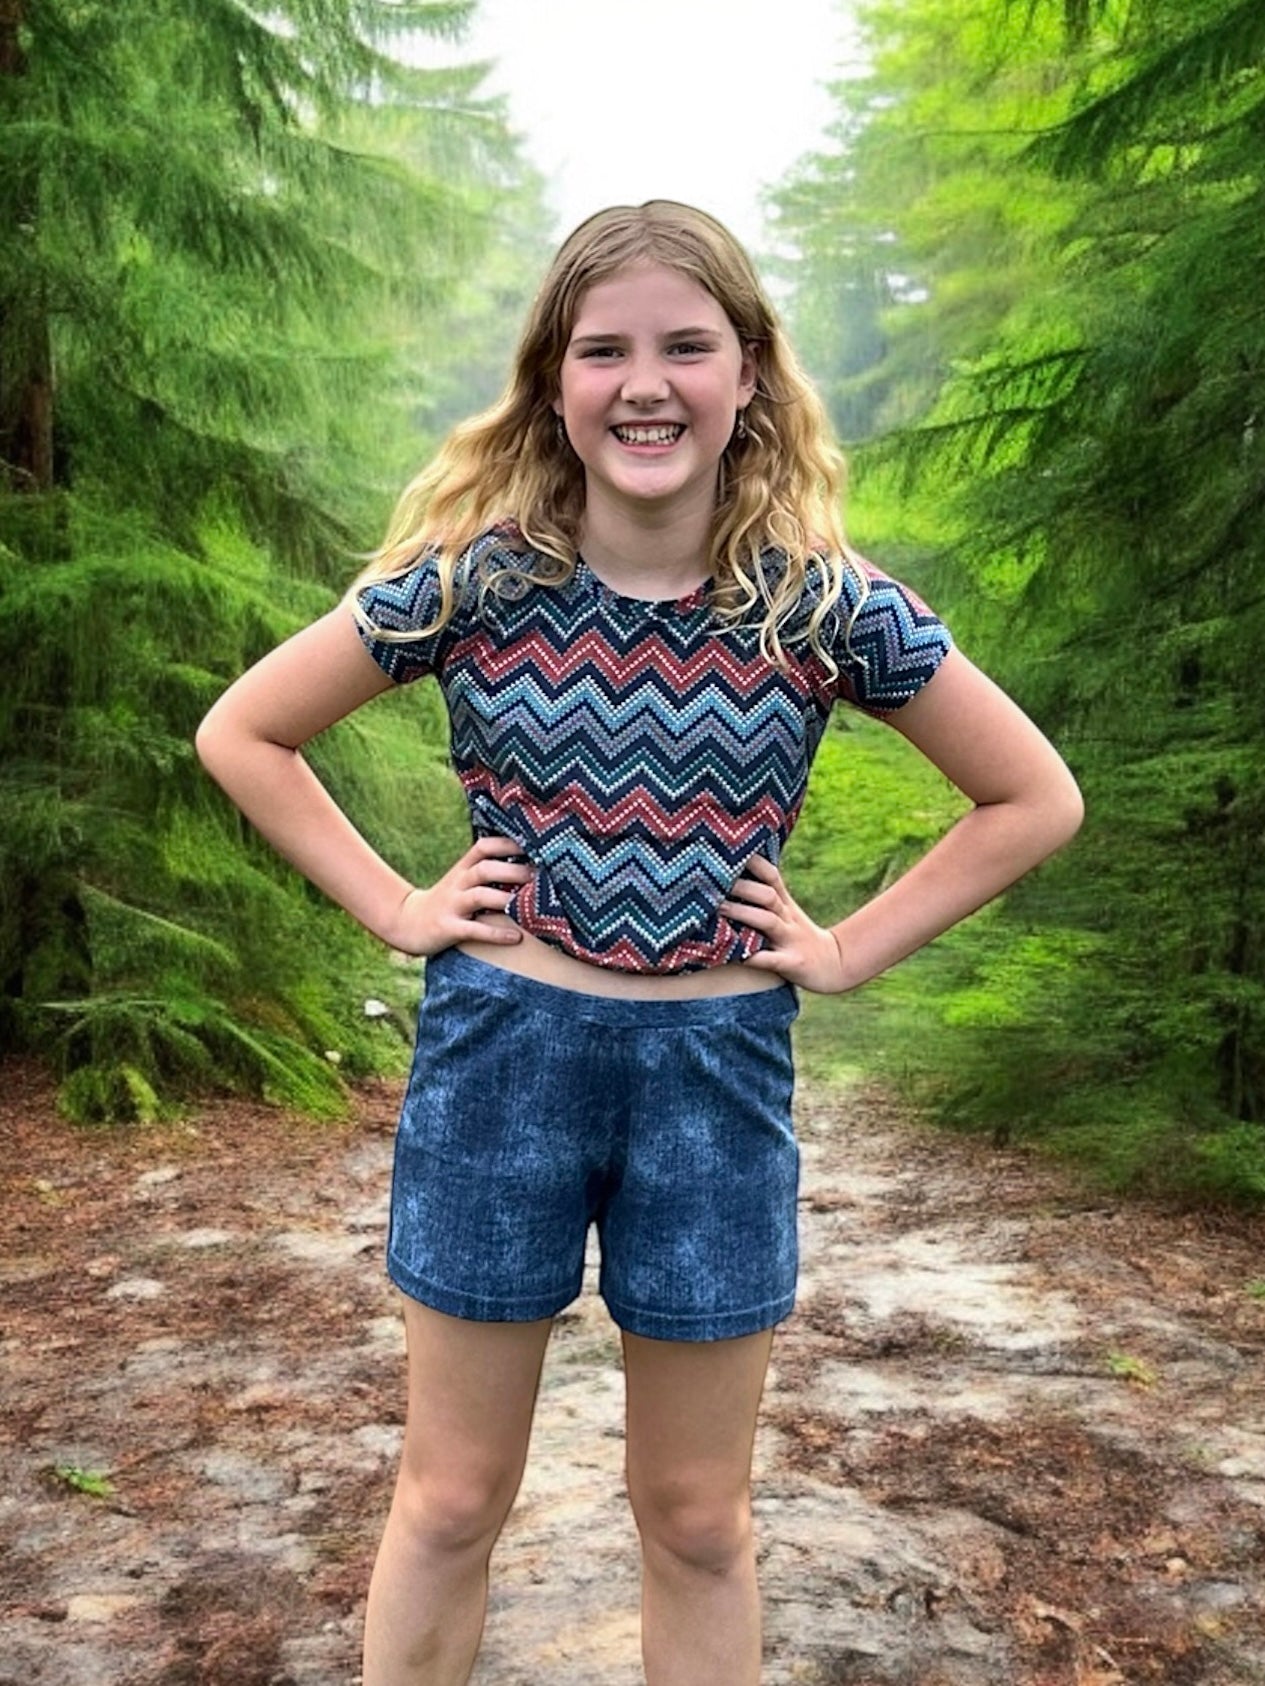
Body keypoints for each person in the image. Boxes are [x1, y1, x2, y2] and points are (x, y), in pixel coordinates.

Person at [195, 199, 1083, 1686]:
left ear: (749, 374)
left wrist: (848, 948)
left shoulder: (820, 604)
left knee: (695, 1518)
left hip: (715, 1078)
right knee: (450, 1498)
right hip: (500, 1063)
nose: (646, 381)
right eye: (604, 349)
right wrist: (398, 908)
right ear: (555, 381)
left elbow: (1030, 795)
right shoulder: (474, 580)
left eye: (687, 344)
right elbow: (246, 730)